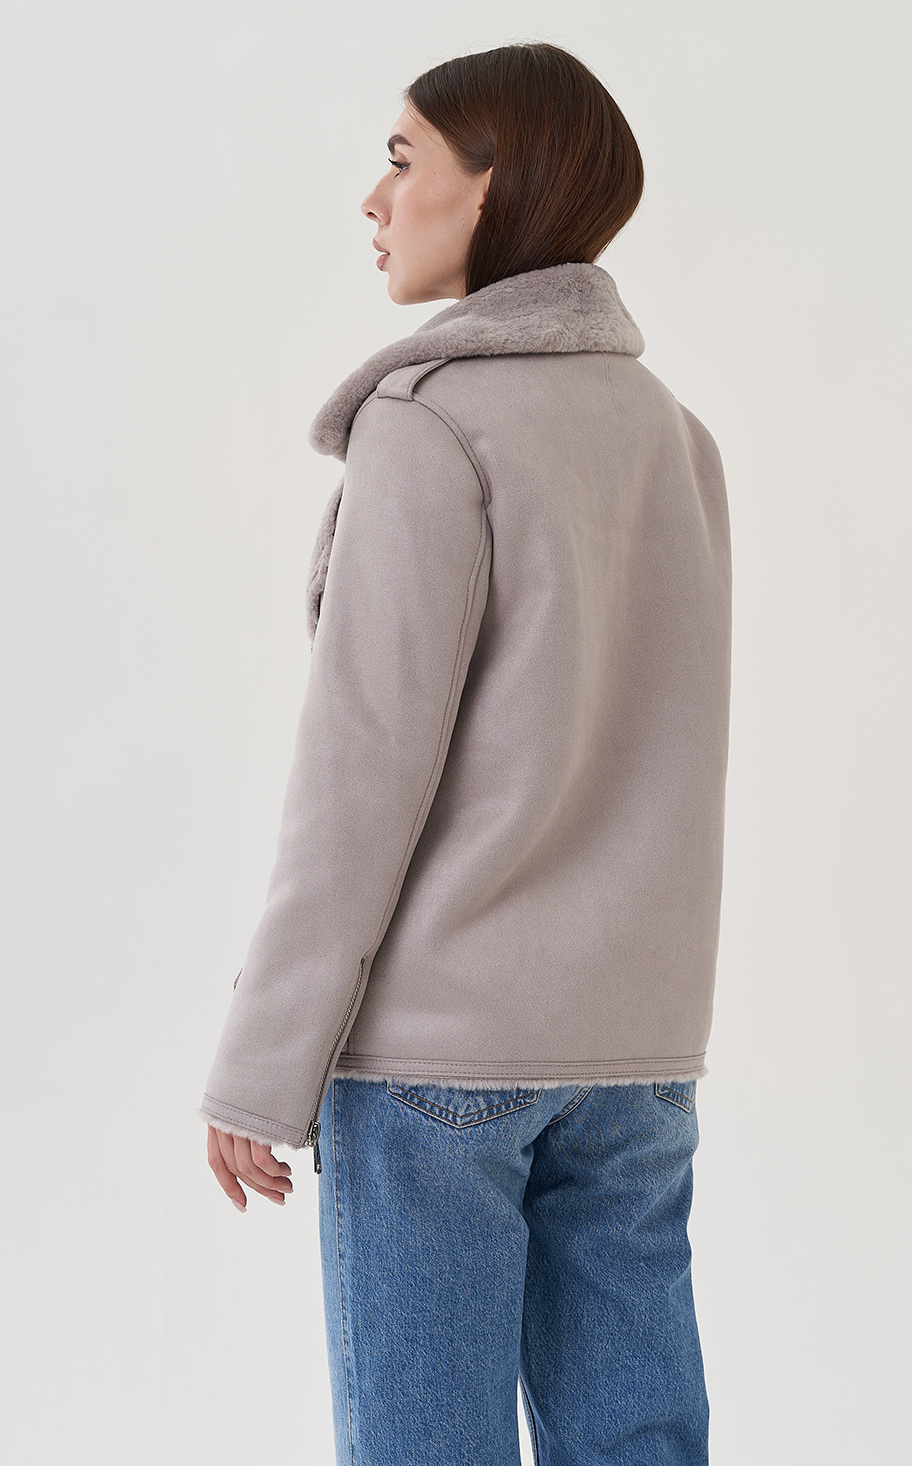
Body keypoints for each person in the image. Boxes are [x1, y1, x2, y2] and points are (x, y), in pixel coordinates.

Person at [199, 40, 731, 1466]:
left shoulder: (429, 423)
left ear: (496, 185)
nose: (373, 200)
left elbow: (359, 773)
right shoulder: (676, 439)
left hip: (439, 1056)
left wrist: (260, 1065)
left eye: (401, 160)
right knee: (638, 1441)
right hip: (638, 1054)